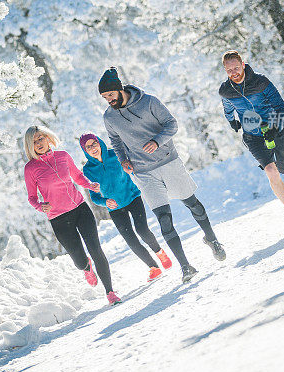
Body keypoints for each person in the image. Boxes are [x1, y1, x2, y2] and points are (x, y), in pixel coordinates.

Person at [98, 68, 226, 284]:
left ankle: (212, 239)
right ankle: (185, 266)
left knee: (192, 203)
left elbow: (172, 124)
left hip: (168, 161)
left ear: (120, 89)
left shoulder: (148, 102)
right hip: (143, 172)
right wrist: (123, 160)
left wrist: (157, 141)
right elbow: (116, 142)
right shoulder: (109, 117)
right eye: (104, 97)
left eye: (110, 94)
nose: (108, 100)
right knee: (164, 218)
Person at [218, 50, 284, 230]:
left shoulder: (260, 82)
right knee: (271, 171)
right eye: (229, 70)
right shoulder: (225, 91)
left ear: (242, 64)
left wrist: (275, 127)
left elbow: (280, 106)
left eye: (235, 67)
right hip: (253, 137)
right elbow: (227, 108)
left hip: (276, 130)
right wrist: (232, 120)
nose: (233, 72)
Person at [23, 125, 121, 305]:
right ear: (30, 145)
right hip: (58, 218)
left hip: (80, 209)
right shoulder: (30, 169)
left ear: (47, 138)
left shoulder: (63, 156)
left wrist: (90, 185)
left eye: (41, 138)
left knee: (96, 249)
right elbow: (31, 197)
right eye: (34, 141)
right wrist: (39, 206)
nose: (38, 143)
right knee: (78, 259)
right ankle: (86, 267)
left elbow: (77, 176)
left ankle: (110, 292)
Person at [79, 133, 172, 282]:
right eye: (88, 147)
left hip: (133, 197)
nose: (92, 148)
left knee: (142, 229)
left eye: (94, 143)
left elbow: (133, 167)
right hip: (115, 208)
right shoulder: (88, 170)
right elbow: (95, 197)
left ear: (99, 142)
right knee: (131, 240)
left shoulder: (115, 154)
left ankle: (159, 251)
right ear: (85, 150)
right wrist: (105, 202)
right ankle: (153, 267)